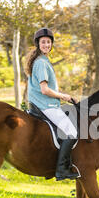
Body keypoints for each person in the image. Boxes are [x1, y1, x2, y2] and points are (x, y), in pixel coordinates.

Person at [25, 27, 80, 181]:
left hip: (44, 104)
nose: (46, 45)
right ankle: (62, 169)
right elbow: (44, 90)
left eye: (49, 42)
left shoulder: (42, 60)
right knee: (72, 133)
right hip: (45, 105)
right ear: (38, 44)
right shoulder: (41, 63)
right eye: (43, 42)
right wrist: (64, 96)